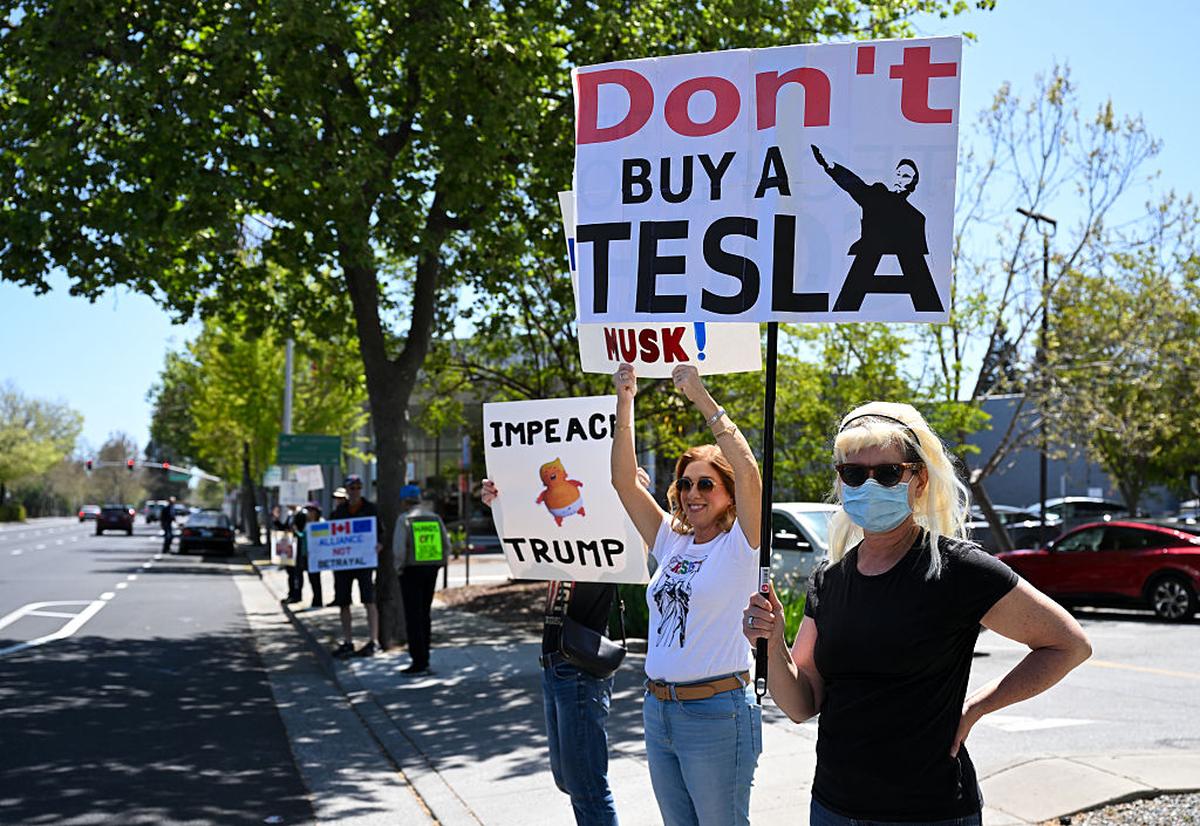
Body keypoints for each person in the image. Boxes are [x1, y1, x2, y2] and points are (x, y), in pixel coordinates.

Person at [743, 402, 1093, 826]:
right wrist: (773, 640)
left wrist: (976, 707)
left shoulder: (958, 569)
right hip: (834, 807)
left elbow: (1068, 644)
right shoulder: (829, 579)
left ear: (919, 479)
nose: (869, 485)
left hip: (928, 812)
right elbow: (801, 704)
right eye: (854, 474)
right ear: (841, 481)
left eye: (888, 473)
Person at [611, 362, 763, 826]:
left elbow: (749, 469)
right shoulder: (672, 540)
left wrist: (701, 397)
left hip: (717, 714)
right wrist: (625, 399)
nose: (693, 492)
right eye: (685, 483)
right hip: (659, 711)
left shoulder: (742, 543)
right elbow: (623, 481)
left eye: (706, 484)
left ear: (730, 494)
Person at [480, 478, 622, 826]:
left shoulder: (607, 525)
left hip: (580, 666)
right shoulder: (559, 533)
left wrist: (629, 493)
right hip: (555, 663)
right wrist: (502, 504)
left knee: (587, 787)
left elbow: (635, 529)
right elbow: (527, 543)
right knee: (568, 779)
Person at [810, 144, 943, 313]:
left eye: (906, 176)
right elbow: (855, 185)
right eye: (898, 173)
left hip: (896, 276)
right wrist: (831, 167)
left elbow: (918, 266)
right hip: (862, 264)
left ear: (913, 183)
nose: (900, 178)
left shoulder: (916, 219)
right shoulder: (877, 196)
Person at [391, 485, 449, 675]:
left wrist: (398, 568)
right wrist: (440, 563)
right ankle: (425, 659)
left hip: (410, 570)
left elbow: (399, 549)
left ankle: (418, 661)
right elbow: (446, 544)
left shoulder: (404, 519)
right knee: (425, 614)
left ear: (404, 501)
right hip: (431, 569)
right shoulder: (434, 517)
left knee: (413, 616)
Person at [330, 474, 380, 658]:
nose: (355, 491)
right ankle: (348, 641)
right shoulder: (338, 513)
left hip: (364, 563)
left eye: (358, 487)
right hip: (343, 565)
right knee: (343, 602)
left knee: (369, 600)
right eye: (352, 488)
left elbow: (380, 533)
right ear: (346, 490)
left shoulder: (371, 509)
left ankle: (373, 641)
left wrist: (379, 544)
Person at [289, 502, 324, 609]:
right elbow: (302, 536)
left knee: (315, 578)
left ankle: (318, 600)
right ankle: (314, 600)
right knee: (310, 578)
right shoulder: (306, 523)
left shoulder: (320, 523)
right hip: (305, 554)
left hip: (315, 555)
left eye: (312, 511)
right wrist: (296, 531)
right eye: (308, 511)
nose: (310, 513)